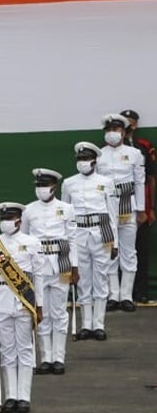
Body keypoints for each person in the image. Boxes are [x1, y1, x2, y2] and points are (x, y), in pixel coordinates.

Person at [0, 203, 45, 413]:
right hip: (0, 304)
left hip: (24, 303)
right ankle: (10, 396)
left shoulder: (32, 243)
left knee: (25, 350)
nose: (5, 222)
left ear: (19, 219)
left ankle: (24, 397)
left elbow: (40, 277)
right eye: (3, 218)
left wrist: (40, 305)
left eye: (9, 218)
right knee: (7, 352)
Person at [21, 169, 78, 375]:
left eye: (44, 186)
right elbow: (24, 240)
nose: (41, 190)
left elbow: (72, 239)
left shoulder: (67, 208)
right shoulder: (28, 210)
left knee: (59, 313)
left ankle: (59, 358)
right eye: (38, 186)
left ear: (54, 187)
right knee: (41, 312)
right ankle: (45, 358)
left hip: (60, 262)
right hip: (38, 265)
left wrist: (75, 267)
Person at [62, 142, 119, 341]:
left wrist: (116, 242)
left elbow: (112, 212)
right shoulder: (69, 183)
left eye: (86, 159)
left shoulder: (106, 181)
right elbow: (66, 215)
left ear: (94, 161)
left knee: (101, 278)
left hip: (101, 230)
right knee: (83, 279)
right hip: (78, 231)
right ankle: (86, 324)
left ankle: (99, 324)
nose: (82, 162)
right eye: (80, 159)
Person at [96, 113, 145, 312]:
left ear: (124, 132)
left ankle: (126, 295)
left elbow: (140, 182)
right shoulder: (99, 154)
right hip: (107, 207)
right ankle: (113, 295)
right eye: (109, 130)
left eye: (116, 130)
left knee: (128, 252)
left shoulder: (134, 154)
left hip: (128, 207)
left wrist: (141, 209)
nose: (112, 133)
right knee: (109, 251)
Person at [121, 109, 157, 303]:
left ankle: (140, 291)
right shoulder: (108, 149)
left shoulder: (143, 146)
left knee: (141, 250)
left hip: (141, 207)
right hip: (119, 208)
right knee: (118, 251)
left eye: (131, 122)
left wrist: (150, 208)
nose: (129, 126)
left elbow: (150, 179)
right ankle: (119, 294)